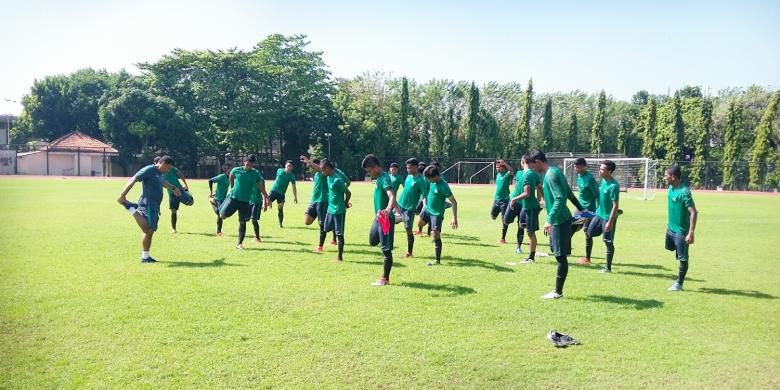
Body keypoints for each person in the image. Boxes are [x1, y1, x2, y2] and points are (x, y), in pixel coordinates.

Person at [533, 151, 583, 299]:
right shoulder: (556, 171)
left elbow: (561, 198)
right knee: (556, 250)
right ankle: (557, 291)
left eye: (532, 164)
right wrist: (581, 208)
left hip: (560, 221)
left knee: (560, 256)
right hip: (562, 219)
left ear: (537, 161)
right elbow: (569, 193)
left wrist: (549, 219)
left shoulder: (551, 175)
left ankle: (558, 292)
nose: (533, 168)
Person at [117, 156, 179, 263]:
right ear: (162, 163)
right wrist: (122, 195)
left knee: (150, 232)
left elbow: (163, 182)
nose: (168, 170)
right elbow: (134, 179)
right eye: (167, 167)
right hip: (148, 204)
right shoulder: (149, 170)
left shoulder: (159, 174)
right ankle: (131, 208)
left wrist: (173, 187)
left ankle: (145, 257)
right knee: (149, 230)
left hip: (154, 205)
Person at [363, 154, 400, 286]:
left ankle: (385, 279)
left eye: (369, 170)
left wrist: (389, 209)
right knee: (373, 241)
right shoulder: (379, 178)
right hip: (378, 217)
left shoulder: (384, 178)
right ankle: (394, 224)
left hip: (385, 219)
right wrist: (399, 210)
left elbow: (391, 195)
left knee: (386, 249)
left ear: (375, 167)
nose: (369, 173)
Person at [219, 155, 270, 250]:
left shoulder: (255, 173)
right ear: (244, 162)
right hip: (234, 199)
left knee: (242, 222)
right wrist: (232, 186)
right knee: (222, 216)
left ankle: (239, 243)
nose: (248, 166)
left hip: (245, 202)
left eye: (250, 165)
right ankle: (216, 204)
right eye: (247, 164)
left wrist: (267, 198)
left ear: (253, 165)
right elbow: (231, 175)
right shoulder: (236, 170)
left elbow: (260, 186)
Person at [664, 165, 698, 292]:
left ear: (672, 177)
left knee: (683, 258)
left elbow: (694, 212)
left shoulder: (684, 192)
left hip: (681, 232)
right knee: (669, 248)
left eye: (666, 175)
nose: (664, 178)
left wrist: (691, 233)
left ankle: (679, 283)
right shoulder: (671, 187)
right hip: (670, 229)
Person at [583, 161, 621, 273]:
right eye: (600, 168)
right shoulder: (603, 181)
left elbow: (615, 205)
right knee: (588, 233)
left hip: (607, 218)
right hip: (598, 215)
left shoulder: (613, 186)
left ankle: (608, 268)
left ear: (610, 171)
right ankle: (587, 259)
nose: (600, 171)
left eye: (603, 169)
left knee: (608, 241)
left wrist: (610, 221)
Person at [506, 156, 542, 265]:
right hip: (528, 207)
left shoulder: (527, 174)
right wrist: (540, 200)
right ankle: (527, 251)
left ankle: (531, 257)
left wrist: (514, 199)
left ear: (522, 162)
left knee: (530, 233)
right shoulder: (534, 174)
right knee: (524, 227)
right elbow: (540, 187)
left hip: (530, 207)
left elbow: (526, 193)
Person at [421, 165, 459, 265]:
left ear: (435, 176)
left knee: (435, 234)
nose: (428, 180)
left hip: (437, 213)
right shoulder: (432, 182)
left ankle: (437, 259)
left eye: (429, 178)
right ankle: (431, 230)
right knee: (419, 224)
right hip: (427, 209)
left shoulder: (444, 186)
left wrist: (454, 217)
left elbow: (454, 202)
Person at [322, 158, 351, 261]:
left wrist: (345, 202)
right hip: (330, 209)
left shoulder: (337, 180)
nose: (322, 172)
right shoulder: (328, 177)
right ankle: (324, 245)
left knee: (339, 234)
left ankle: (339, 256)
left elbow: (348, 192)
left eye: (323, 169)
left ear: (328, 168)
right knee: (325, 228)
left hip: (339, 210)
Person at [397, 158, 426, 257]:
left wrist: (425, 207)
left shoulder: (421, 181)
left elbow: (424, 196)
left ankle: (409, 252)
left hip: (409, 209)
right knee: (387, 221)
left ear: (415, 167)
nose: (407, 169)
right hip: (399, 205)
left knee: (408, 229)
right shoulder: (408, 177)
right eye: (407, 167)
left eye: (409, 168)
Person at [574, 157, 599, 265]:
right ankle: (563, 252)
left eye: (578, 166)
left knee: (587, 233)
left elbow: (597, 195)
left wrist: (597, 211)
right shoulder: (579, 176)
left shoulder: (590, 179)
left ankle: (587, 258)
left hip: (589, 210)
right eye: (575, 166)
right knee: (570, 227)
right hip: (580, 208)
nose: (576, 168)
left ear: (584, 166)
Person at [301, 156, 329, 252]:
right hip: (314, 201)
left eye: (312, 166)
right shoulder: (316, 175)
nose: (311, 168)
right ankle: (329, 221)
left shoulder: (323, 172)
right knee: (307, 221)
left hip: (322, 200)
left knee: (321, 224)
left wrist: (308, 161)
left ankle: (320, 246)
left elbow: (320, 168)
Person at [162, 161, 193, 233]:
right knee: (173, 211)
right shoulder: (159, 173)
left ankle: (187, 192)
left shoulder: (172, 169)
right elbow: (163, 184)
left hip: (180, 191)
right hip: (171, 194)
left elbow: (180, 174)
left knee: (190, 203)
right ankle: (173, 229)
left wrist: (185, 184)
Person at [267, 160, 298, 228]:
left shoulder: (292, 176)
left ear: (292, 167)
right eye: (288, 166)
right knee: (265, 204)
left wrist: (295, 197)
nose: (289, 167)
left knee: (280, 209)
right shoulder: (279, 170)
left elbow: (294, 187)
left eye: (290, 166)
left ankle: (280, 224)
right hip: (273, 191)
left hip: (281, 194)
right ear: (285, 166)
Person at [491, 159, 515, 244]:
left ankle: (503, 238)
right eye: (496, 167)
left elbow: (512, 171)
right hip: (496, 200)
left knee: (504, 220)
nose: (497, 168)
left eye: (499, 167)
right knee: (493, 216)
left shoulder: (507, 174)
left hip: (504, 201)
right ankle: (503, 216)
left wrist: (505, 163)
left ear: (503, 168)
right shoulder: (498, 175)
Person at [208, 165, 231, 236]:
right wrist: (211, 192)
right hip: (218, 198)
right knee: (220, 213)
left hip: (224, 199)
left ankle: (219, 232)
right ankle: (219, 232)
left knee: (222, 214)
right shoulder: (222, 177)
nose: (231, 172)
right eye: (229, 170)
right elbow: (210, 180)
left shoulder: (230, 178)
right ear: (225, 171)